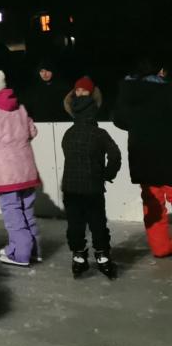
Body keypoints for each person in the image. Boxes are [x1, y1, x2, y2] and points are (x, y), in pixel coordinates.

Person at [0, 70, 42, 267]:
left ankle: (20, 253)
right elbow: (32, 131)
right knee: (27, 212)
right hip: (27, 170)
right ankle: (34, 250)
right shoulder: (20, 108)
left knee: (13, 214)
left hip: (6, 173)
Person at [60, 77, 121, 279]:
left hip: (70, 188)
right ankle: (102, 256)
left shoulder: (68, 134)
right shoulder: (99, 134)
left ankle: (78, 257)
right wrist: (107, 174)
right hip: (93, 187)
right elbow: (115, 155)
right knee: (97, 223)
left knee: (75, 223)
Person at [113, 59, 172, 258]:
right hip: (168, 152)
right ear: (160, 71)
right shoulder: (167, 91)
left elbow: (119, 119)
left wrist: (140, 125)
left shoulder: (129, 91)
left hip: (142, 154)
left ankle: (161, 248)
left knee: (152, 203)